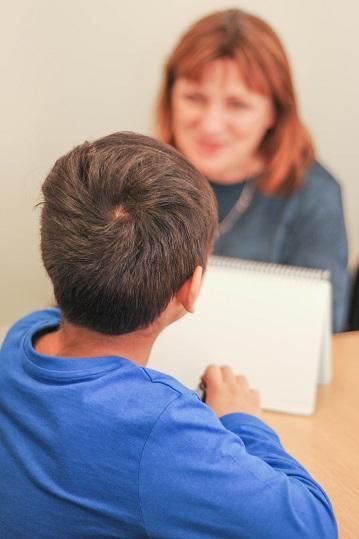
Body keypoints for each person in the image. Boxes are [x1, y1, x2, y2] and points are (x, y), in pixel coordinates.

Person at [0, 132, 337, 538]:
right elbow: (312, 527)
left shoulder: (22, 337)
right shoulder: (161, 430)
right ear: (190, 289)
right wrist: (243, 422)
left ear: (50, 253)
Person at [155, 8, 349, 332]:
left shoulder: (315, 196)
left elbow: (321, 333)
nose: (211, 124)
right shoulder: (142, 176)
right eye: (194, 98)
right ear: (170, 97)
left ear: (274, 112)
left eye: (237, 105)